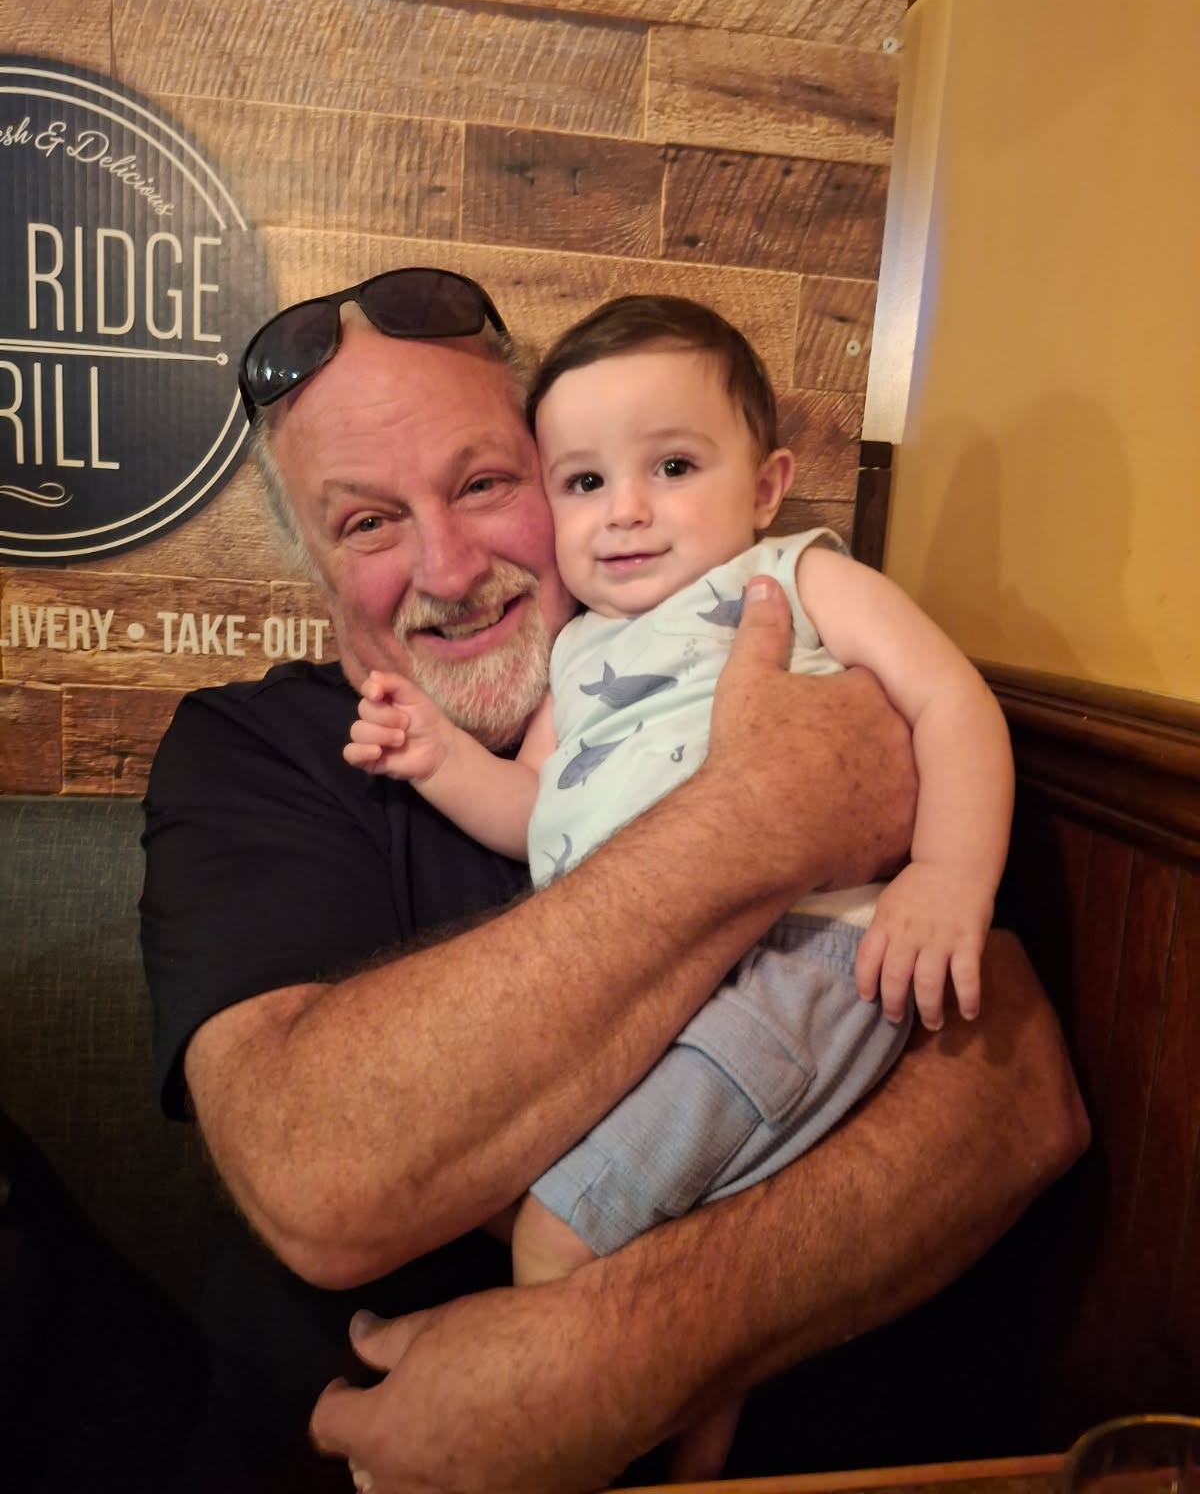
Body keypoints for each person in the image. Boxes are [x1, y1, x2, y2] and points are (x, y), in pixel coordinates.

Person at [140, 266, 1088, 1494]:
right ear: (315, 565)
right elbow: (325, 1179)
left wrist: (636, 1351)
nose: (448, 567)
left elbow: (1019, 1086)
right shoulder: (249, 756)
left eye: (484, 485)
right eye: (367, 522)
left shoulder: (791, 637)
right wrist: (766, 811)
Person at [343, 294, 1014, 1478]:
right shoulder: (577, 652)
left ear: (765, 486)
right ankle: (690, 1448)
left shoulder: (793, 576)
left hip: (801, 965)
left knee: (557, 1237)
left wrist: (952, 876)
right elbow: (533, 810)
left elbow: (951, 699)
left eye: (671, 466)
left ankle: (574, 1440)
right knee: (612, 1220)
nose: (626, 510)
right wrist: (437, 758)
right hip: (666, 993)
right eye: (584, 482)